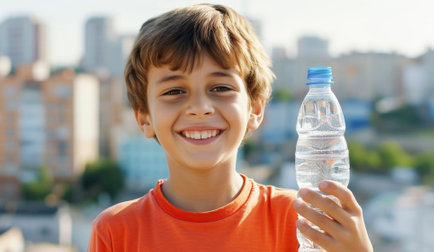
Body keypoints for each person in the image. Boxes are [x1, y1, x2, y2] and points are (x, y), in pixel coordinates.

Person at [87, 4, 373, 252]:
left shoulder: (303, 221)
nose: (200, 107)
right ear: (144, 119)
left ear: (255, 109)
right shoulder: (116, 232)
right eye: (174, 91)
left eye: (220, 87)